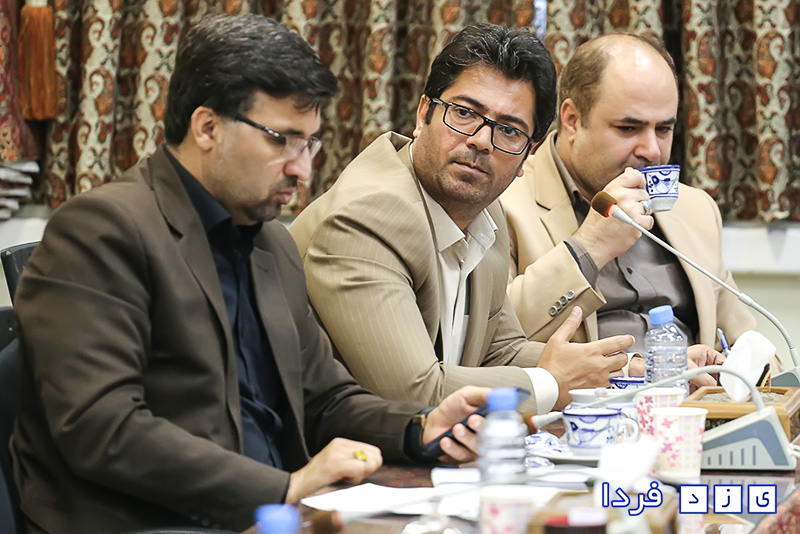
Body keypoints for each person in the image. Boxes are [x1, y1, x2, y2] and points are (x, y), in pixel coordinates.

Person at [11, 14, 492, 534]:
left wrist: (420, 428)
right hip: (149, 522)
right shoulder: (102, 231)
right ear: (207, 128)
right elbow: (103, 428)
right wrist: (282, 490)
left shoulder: (271, 244)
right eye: (282, 140)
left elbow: (324, 398)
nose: (301, 169)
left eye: (309, 144)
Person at [290, 24, 633, 416]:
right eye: (465, 113)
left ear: (528, 153)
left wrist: (624, 370)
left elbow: (502, 352)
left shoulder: (483, 209)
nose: (481, 141)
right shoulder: (365, 218)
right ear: (424, 114)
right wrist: (550, 384)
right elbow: (414, 395)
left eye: (509, 130)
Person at [500, 33, 758, 382]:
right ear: (572, 119)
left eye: (663, 129)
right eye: (629, 128)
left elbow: (748, 345)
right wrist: (589, 248)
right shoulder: (503, 201)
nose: (651, 150)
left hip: (693, 407)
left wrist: (744, 373)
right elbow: (493, 342)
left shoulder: (694, 210)